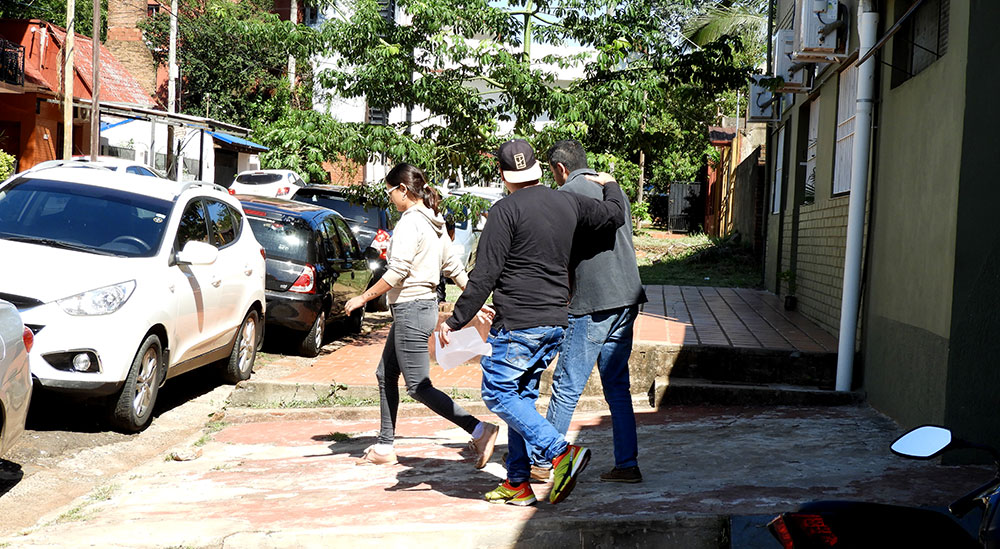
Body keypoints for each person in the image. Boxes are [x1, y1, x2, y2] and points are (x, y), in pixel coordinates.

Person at [438, 139, 626, 506]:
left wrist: (456, 320)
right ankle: (517, 482)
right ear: (538, 168)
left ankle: (561, 452)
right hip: (555, 323)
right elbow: (614, 215)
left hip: (518, 323)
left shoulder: (504, 211)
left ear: (503, 174)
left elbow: (485, 274)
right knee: (521, 398)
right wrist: (611, 184)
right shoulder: (568, 202)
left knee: (497, 392)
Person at [345, 163, 499, 467]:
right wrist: (475, 299)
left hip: (412, 310)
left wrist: (363, 297)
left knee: (418, 386)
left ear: (403, 189)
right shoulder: (434, 220)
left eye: (390, 192)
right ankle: (385, 446)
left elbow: (397, 272)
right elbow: (453, 267)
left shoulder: (411, 222)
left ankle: (480, 430)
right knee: (385, 373)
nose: (390, 198)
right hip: (419, 308)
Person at [533, 139, 647, 483]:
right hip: (627, 298)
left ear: (560, 168)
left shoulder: (566, 195)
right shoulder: (613, 189)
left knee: (567, 386)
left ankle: (544, 461)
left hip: (593, 304)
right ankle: (627, 464)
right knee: (617, 385)